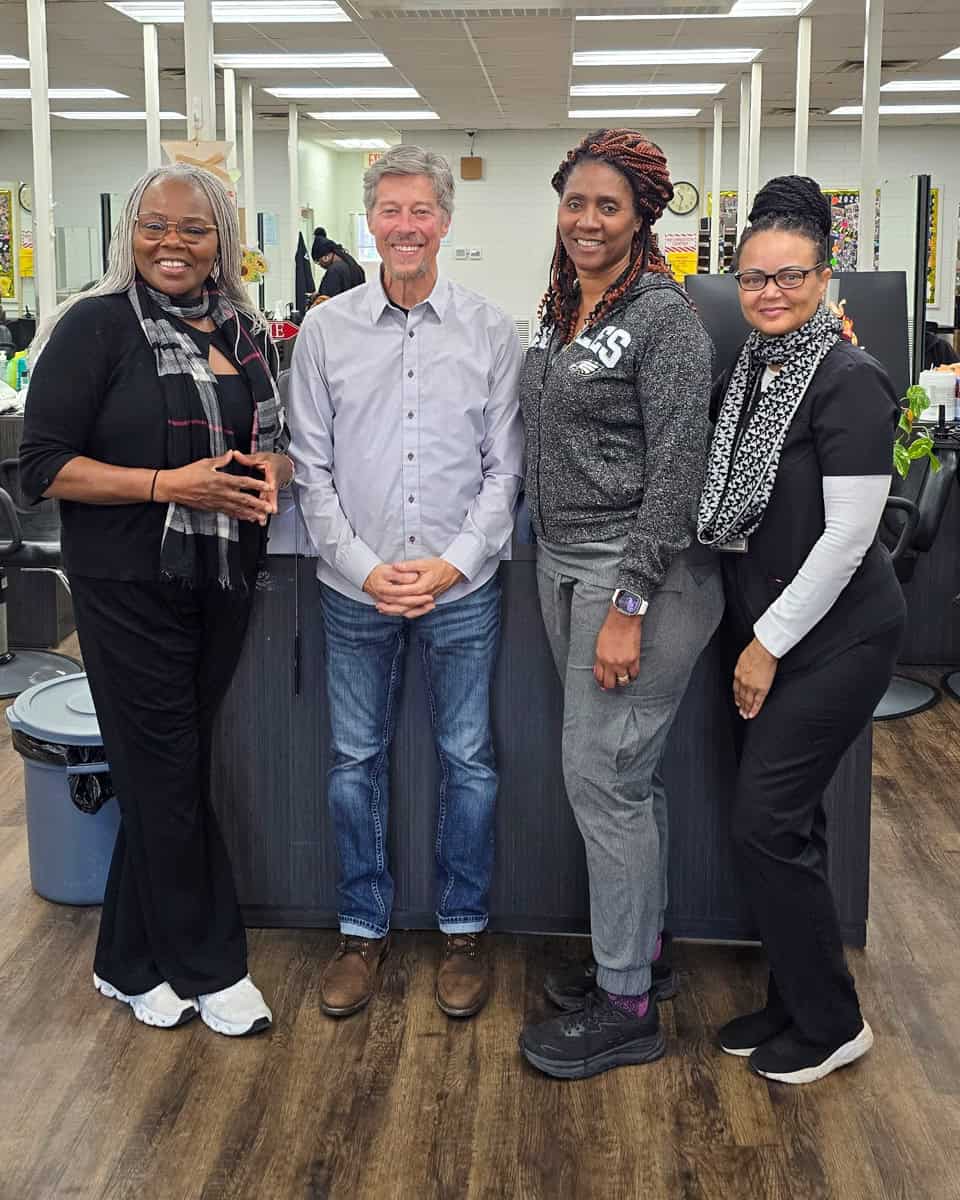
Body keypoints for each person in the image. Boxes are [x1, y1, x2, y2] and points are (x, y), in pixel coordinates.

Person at [19, 163, 293, 1036]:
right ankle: (212, 967)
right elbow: (42, 468)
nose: (172, 244)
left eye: (194, 230)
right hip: (127, 583)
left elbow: (274, 436)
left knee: (160, 770)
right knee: (168, 774)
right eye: (155, 227)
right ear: (127, 235)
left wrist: (271, 472)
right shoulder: (92, 328)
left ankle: (126, 960)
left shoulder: (247, 331)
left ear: (223, 243)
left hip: (222, 578)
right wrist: (167, 484)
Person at [287, 145, 523, 1020]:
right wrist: (365, 568)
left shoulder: (492, 333)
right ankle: (361, 927)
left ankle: (463, 928)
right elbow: (311, 471)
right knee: (354, 764)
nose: (406, 226)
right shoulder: (325, 331)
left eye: (421, 210)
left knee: (471, 764)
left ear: (445, 221)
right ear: (370, 222)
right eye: (390, 210)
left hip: (464, 590)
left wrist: (455, 561)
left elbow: (506, 473)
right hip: (356, 592)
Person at [516, 129, 724, 1080]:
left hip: (637, 577)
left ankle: (627, 1006)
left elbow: (679, 469)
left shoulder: (665, 319)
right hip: (565, 562)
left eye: (608, 206)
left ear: (642, 216)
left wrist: (630, 600)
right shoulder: (566, 304)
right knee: (623, 781)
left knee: (602, 783)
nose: (587, 221)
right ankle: (642, 954)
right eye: (575, 203)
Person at [697, 175, 906, 1084]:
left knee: (765, 824)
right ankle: (793, 999)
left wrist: (764, 643)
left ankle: (831, 1022)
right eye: (753, 279)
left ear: (825, 278)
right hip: (772, 626)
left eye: (790, 276)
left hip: (835, 639)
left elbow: (850, 537)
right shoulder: (751, 370)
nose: (769, 293)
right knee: (791, 828)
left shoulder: (850, 380)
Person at [310, 229, 365, 297]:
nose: (320, 265)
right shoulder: (355, 266)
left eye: (318, 262)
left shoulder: (334, 271)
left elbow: (327, 302)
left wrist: (316, 299)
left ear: (325, 257)